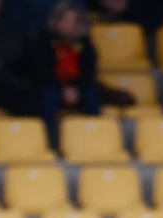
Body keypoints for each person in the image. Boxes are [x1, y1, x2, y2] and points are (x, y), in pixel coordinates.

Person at [32, 1, 100, 147]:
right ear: (56, 21)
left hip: (77, 86)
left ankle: (95, 139)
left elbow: (89, 72)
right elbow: (42, 71)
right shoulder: (44, 40)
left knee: (91, 95)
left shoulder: (85, 43)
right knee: (48, 96)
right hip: (53, 85)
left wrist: (75, 88)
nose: (68, 25)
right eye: (64, 20)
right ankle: (46, 141)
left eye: (73, 21)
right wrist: (63, 89)